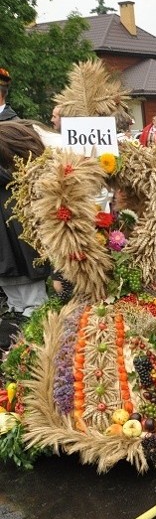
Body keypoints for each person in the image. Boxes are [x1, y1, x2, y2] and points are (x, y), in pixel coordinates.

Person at [0, 121, 50, 350]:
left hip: (20, 248)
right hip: (12, 250)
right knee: (19, 305)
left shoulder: (20, 180)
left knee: (32, 307)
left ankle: (36, 350)